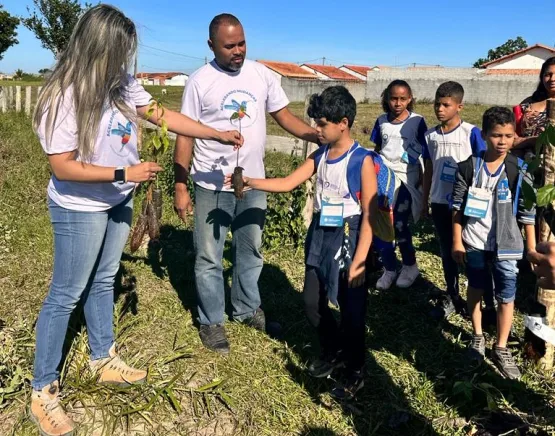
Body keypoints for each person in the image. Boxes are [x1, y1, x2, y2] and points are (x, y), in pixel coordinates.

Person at [30, 5, 242, 436]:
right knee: (67, 292)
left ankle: (102, 356)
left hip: (117, 199)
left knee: (105, 277)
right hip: (80, 205)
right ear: (98, 48)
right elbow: (63, 166)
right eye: (120, 51)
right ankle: (42, 389)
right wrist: (124, 173)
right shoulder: (63, 94)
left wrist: (214, 132)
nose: (126, 60)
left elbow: (163, 117)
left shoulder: (120, 84)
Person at [174, 13, 319, 354]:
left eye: (242, 43)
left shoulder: (261, 75)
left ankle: (245, 308)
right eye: (229, 46)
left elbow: (283, 116)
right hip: (211, 184)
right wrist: (181, 185)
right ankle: (211, 321)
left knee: (250, 249)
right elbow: (184, 133)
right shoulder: (199, 81)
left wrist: (317, 135)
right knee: (209, 256)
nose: (238, 51)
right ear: (211, 45)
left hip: (253, 182)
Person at [226, 86, 377, 400]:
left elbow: (370, 214)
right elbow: (287, 183)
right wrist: (251, 181)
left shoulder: (361, 161)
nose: (316, 130)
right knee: (311, 301)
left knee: (352, 311)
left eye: (322, 124)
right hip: (321, 232)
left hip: (349, 237)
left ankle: (355, 371)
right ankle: (333, 349)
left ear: (343, 123)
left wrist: (361, 259)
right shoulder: (320, 155)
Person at [452, 107, 536, 380]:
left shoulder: (518, 170)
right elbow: (457, 208)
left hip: (507, 246)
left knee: (506, 295)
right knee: (475, 287)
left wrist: (531, 249)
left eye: (508, 136)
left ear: (514, 137)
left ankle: (500, 346)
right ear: (484, 135)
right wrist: (457, 241)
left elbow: (527, 214)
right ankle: (477, 335)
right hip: (474, 242)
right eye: (496, 135)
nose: (502, 142)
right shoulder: (467, 167)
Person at [421, 81, 486, 319]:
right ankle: (452, 294)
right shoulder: (429, 136)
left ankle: (477, 298)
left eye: (446, 105)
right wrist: (424, 200)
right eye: (437, 104)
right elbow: (428, 168)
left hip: (467, 204)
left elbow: (481, 166)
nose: (440, 109)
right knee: (447, 250)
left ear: (459, 106)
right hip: (439, 202)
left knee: (470, 250)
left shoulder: (471, 133)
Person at [370, 80, 428, 290]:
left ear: (410, 99)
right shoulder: (381, 121)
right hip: (384, 176)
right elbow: (378, 148)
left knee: (400, 222)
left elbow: (426, 152)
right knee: (381, 221)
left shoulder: (418, 122)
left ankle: (410, 265)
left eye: (403, 99)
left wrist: (423, 176)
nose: (398, 103)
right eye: (394, 98)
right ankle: (390, 267)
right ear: (387, 98)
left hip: (406, 178)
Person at [512, 57, 555, 157]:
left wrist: (527, 141)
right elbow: (510, 131)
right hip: (523, 161)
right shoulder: (528, 102)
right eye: (548, 75)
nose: (552, 79)